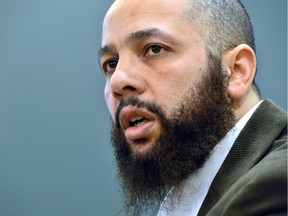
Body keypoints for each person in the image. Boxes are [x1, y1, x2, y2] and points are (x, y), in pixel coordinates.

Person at [98, 0, 287, 215]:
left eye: (154, 49)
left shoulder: (276, 189)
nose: (117, 81)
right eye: (111, 63)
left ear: (235, 72)